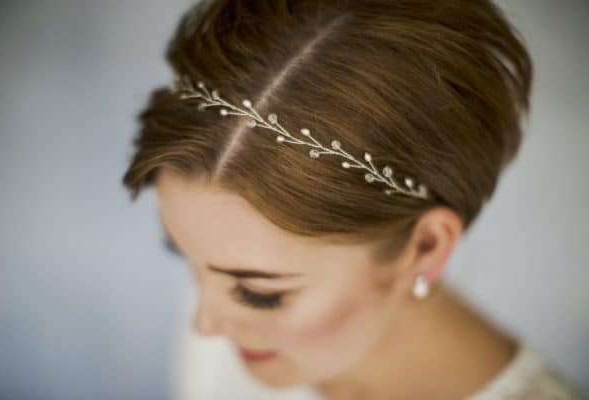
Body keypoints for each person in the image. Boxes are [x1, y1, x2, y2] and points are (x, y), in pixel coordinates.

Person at [122, 0, 581, 398]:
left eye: (259, 294)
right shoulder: (230, 291)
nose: (204, 324)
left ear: (426, 247)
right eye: (179, 251)